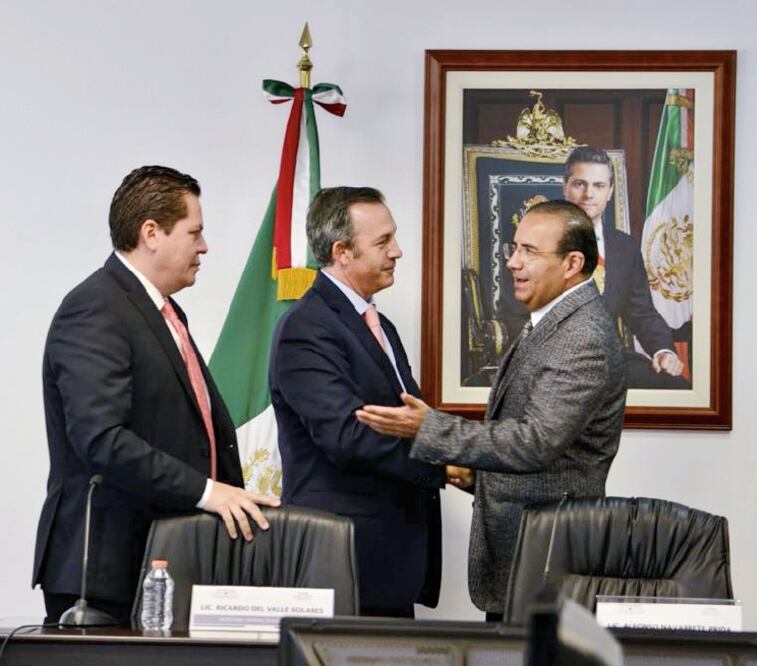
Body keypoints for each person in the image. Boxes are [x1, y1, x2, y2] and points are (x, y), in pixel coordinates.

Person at [357, 200, 627, 620]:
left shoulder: (582, 336)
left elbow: (536, 442)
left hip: (549, 561)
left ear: (573, 262)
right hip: (524, 557)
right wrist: (473, 474)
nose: (513, 263)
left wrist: (429, 428)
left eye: (530, 252)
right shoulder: (553, 319)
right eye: (514, 248)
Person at [33, 166, 279, 625]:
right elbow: (101, 439)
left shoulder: (163, 311)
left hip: (163, 560)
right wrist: (208, 492)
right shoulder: (95, 308)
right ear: (151, 233)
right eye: (195, 232)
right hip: (106, 575)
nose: (204, 246)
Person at [269, 186, 446, 618]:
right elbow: (347, 436)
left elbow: (409, 418)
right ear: (342, 251)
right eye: (383, 242)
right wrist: (445, 460)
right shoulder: (307, 328)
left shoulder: (378, 323)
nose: (398, 251)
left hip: (388, 561)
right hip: (341, 562)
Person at [562, 145, 687, 388]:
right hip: (554, 366)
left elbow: (642, 314)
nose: (589, 194)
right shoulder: (534, 242)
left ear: (609, 192)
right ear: (564, 186)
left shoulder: (624, 248)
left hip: (611, 363)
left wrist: (663, 351)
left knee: (677, 389)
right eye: (579, 184)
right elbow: (516, 316)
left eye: (598, 186)